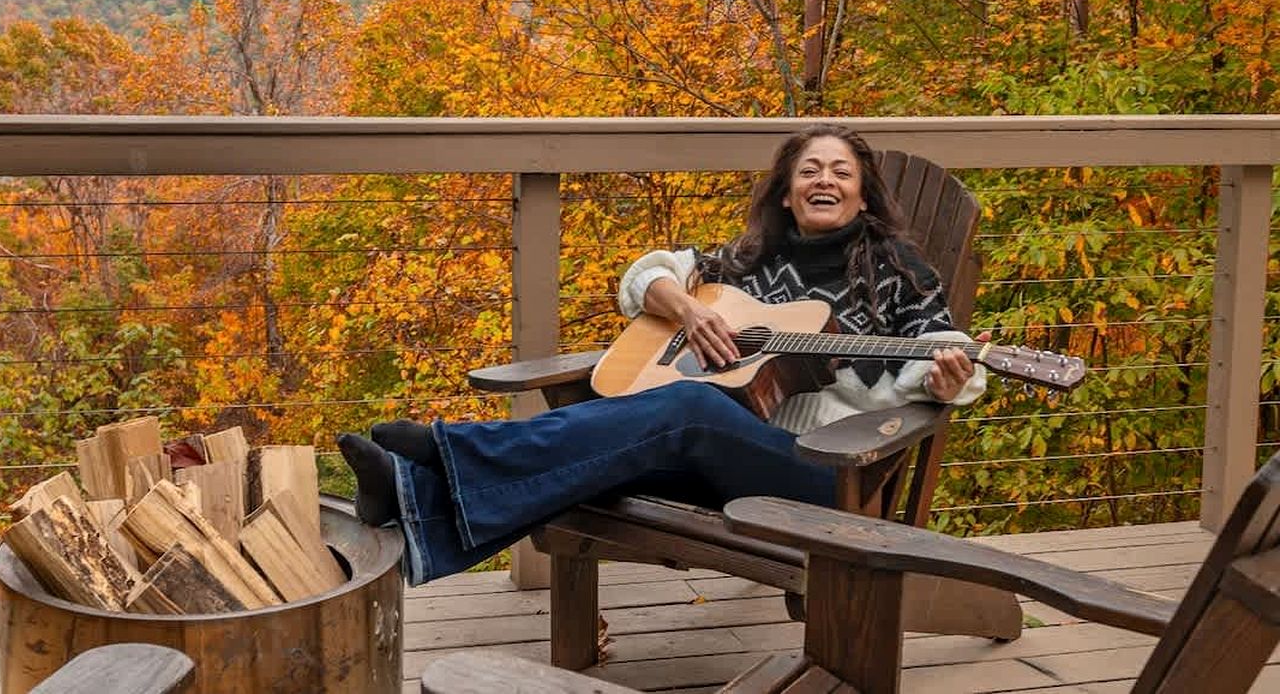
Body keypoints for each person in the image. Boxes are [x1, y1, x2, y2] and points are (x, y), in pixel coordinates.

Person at [338, 123, 987, 586]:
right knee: (606, 451)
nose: (825, 180)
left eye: (840, 172)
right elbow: (647, 276)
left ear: (863, 195)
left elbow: (941, 345)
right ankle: (415, 500)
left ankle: (443, 452)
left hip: (827, 473)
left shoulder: (894, 268)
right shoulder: (748, 259)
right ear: (786, 193)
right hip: (720, 461)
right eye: (809, 170)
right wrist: (689, 309)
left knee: (684, 407)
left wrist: (951, 373)